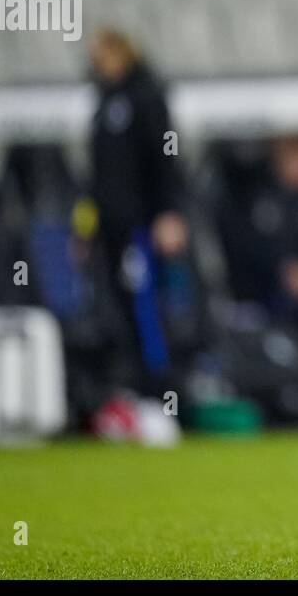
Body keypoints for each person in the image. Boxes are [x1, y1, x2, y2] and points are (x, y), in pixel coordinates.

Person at [85, 26, 189, 438]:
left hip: (142, 227)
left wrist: (168, 211)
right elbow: (97, 175)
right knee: (124, 311)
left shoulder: (146, 96)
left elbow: (165, 157)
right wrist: (86, 226)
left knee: (148, 312)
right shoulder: (103, 101)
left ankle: (162, 402)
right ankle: (135, 398)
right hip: (111, 230)